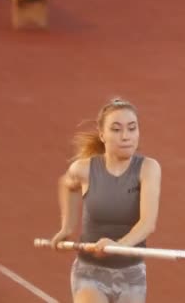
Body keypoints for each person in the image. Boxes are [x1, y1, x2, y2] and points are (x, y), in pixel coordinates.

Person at [50, 97, 161, 303]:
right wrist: (67, 227)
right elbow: (67, 185)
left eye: (132, 128)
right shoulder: (84, 169)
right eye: (116, 129)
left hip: (131, 275)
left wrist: (117, 245)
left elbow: (147, 224)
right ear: (102, 135)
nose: (126, 136)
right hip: (90, 273)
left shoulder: (149, 169)